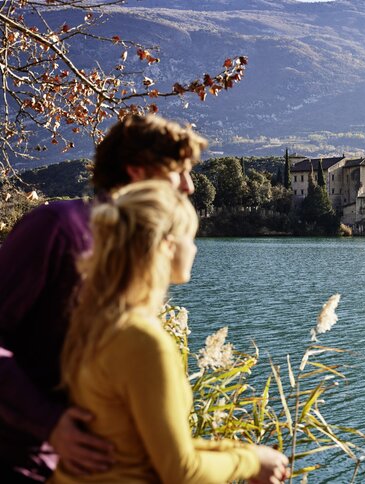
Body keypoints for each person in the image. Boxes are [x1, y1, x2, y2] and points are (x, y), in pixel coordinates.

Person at [0, 115, 204, 482]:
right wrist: (49, 422)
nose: (188, 186)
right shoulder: (57, 228)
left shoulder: (138, 257)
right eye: (178, 171)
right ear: (138, 171)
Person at [50, 181, 288, 483]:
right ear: (166, 245)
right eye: (190, 237)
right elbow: (181, 471)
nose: (195, 247)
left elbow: (144, 444)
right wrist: (249, 462)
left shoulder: (95, 320)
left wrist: (239, 450)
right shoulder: (143, 342)